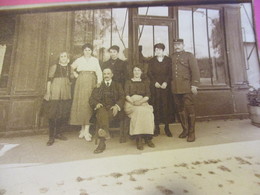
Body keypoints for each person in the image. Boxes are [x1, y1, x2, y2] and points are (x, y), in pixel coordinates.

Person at [70, 43, 103, 142]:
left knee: (88, 104)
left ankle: (87, 130)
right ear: (83, 51)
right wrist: (76, 75)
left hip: (91, 82)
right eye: (85, 50)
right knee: (81, 104)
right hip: (81, 82)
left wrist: (98, 82)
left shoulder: (95, 60)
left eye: (89, 50)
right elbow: (71, 67)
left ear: (92, 51)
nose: (87, 52)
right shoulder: (79, 60)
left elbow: (99, 72)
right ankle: (82, 129)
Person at [89, 68, 125, 154]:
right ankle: (103, 139)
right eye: (104, 74)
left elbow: (122, 97)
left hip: (113, 109)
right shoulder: (99, 86)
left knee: (103, 116)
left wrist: (117, 106)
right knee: (102, 112)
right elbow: (91, 98)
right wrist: (96, 104)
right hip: (102, 108)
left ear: (112, 75)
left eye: (108, 73)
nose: (106, 75)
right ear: (103, 75)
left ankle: (102, 141)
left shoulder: (117, 85)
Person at [171, 39, 200, 142]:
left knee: (189, 110)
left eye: (179, 44)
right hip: (175, 88)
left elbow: (195, 71)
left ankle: (192, 133)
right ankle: (185, 130)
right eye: (175, 45)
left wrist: (194, 85)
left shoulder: (189, 56)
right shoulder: (172, 57)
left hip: (187, 87)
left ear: (183, 45)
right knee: (180, 110)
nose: (177, 46)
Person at [42, 52, 72, 146]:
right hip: (55, 92)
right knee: (53, 115)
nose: (63, 58)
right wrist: (48, 92)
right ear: (59, 58)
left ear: (68, 58)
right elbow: (49, 81)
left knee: (62, 114)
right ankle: (51, 137)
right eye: (61, 56)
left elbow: (71, 79)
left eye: (65, 56)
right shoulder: (54, 67)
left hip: (65, 93)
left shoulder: (69, 68)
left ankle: (58, 133)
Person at [124, 66, 155, 150]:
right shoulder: (128, 82)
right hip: (131, 103)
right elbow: (126, 94)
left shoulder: (144, 82)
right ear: (132, 72)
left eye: (138, 70)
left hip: (142, 102)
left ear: (141, 72)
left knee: (148, 113)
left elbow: (148, 95)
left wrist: (140, 102)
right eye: (135, 70)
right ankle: (139, 138)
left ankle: (148, 137)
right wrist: (133, 102)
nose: (137, 72)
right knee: (138, 112)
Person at [147, 43, 172, 137]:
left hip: (165, 88)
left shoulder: (168, 60)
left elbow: (170, 73)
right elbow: (149, 73)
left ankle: (167, 127)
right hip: (155, 88)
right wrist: (154, 82)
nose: (158, 51)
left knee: (166, 107)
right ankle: (156, 128)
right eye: (156, 50)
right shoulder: (152, 61)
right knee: (156, 107)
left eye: (160, 50)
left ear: (163, 51)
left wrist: (166, 82)